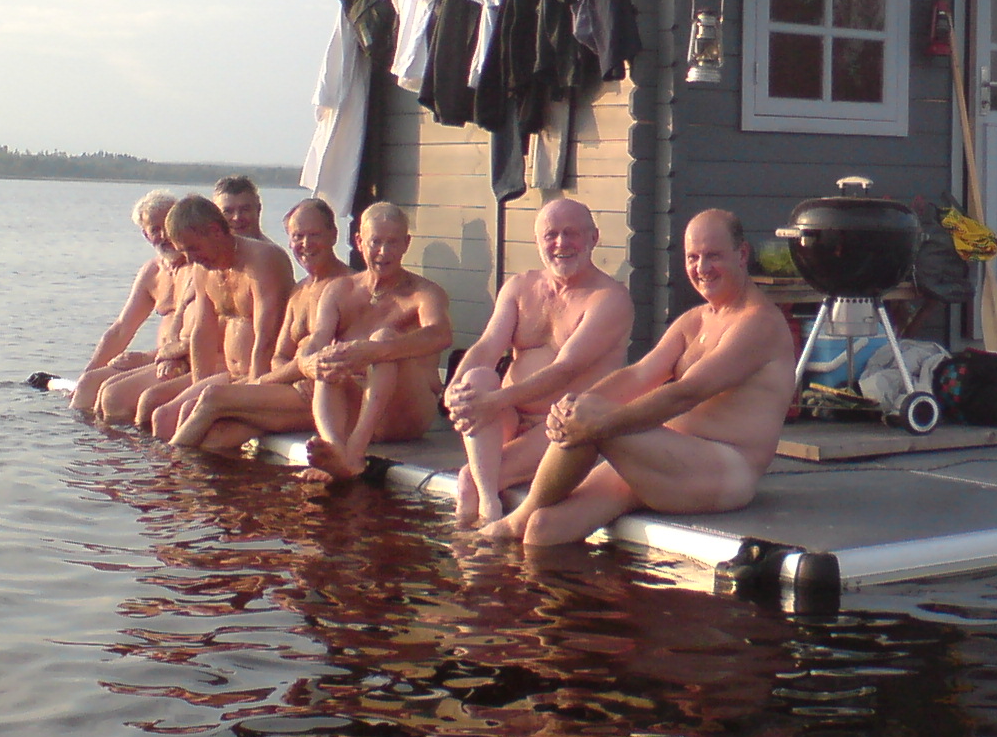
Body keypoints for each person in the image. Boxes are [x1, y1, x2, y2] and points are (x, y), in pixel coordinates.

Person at [481, 208, 795, 547]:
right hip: (659, 454)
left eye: (713, 256)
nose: (702, 269)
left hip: (723, 468)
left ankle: (517, 518)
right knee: (545, 528)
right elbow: (639, 374)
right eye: (693, 257)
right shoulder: (694, 321)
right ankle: (550, 585)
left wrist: (601, 419)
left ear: (742, 254)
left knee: (592, 427)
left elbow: (687, 393)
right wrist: (575, 404)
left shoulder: (758, 323)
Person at [445, 199, 634, 529]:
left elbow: (566, 368)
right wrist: (454, 393)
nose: (561, 243)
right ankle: (485, 524)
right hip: (507, 415)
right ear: (537, 241)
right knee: (475, 377)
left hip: (563, 422)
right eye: (551, 235)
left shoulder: (609, 298)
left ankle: (480, 545)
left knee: (468, 480)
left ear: (594, 238)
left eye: (571, 233)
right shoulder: (520, 287)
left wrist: (494, 401)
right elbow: (488, 346)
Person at [168, 198, 351, 453]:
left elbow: (343, 358)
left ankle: (169, 471)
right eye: (298, 237)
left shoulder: (350, 287)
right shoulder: (300, 291)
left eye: (314, 235)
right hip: (289, 388)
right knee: (214, 439)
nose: (305, 244)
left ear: (333, 234)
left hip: (327, 400)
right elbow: (280, 354)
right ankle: (202, 490)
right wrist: (286, 375)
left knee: (211, 398)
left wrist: (271, 382)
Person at [298, 201, 452, 484]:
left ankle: (353, 452)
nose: (384, 252)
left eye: (393, 242)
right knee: (330, 355)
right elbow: (316, 339)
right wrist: (308, 363)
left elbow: (440, 333)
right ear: (359, 241)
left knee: (383, 338)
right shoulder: (339, 289)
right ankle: (333, 448)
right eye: (376, 242)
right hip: (357, 407)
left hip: (407, 414)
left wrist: (375, 350)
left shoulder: (423, 293)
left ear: (406, 243)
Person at [147, 195, 296, 439]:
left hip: (265, 378)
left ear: (215, 231)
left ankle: (178, 473)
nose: (191, 259)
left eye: (193, 248)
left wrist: (252, 395)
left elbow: (266, 337)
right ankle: (169, 474)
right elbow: (202, 332)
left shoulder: (262, 260)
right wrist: (200, 384)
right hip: (230, 375)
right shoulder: (202, 268)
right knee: (163, 416)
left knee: (195, 419)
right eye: (184, 252)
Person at [73, 190, 185, 414]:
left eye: (168, 225)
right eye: (155, 229)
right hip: (158, 359)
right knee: (89, 384)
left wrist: (146, 358)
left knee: (113, 395)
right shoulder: (153, 271)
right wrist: (89, 372)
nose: (164, 235)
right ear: (146, 235)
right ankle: (79, 445)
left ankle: (124, 445)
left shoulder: (199, 266)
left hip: (182, 359)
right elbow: (122, 329)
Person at [211, 175, 264, 240]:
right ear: (215, 214)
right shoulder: (204, 249)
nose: (236, 218)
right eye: (228, 211)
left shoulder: (270, 250)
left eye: (244, 210)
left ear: (258, 210)